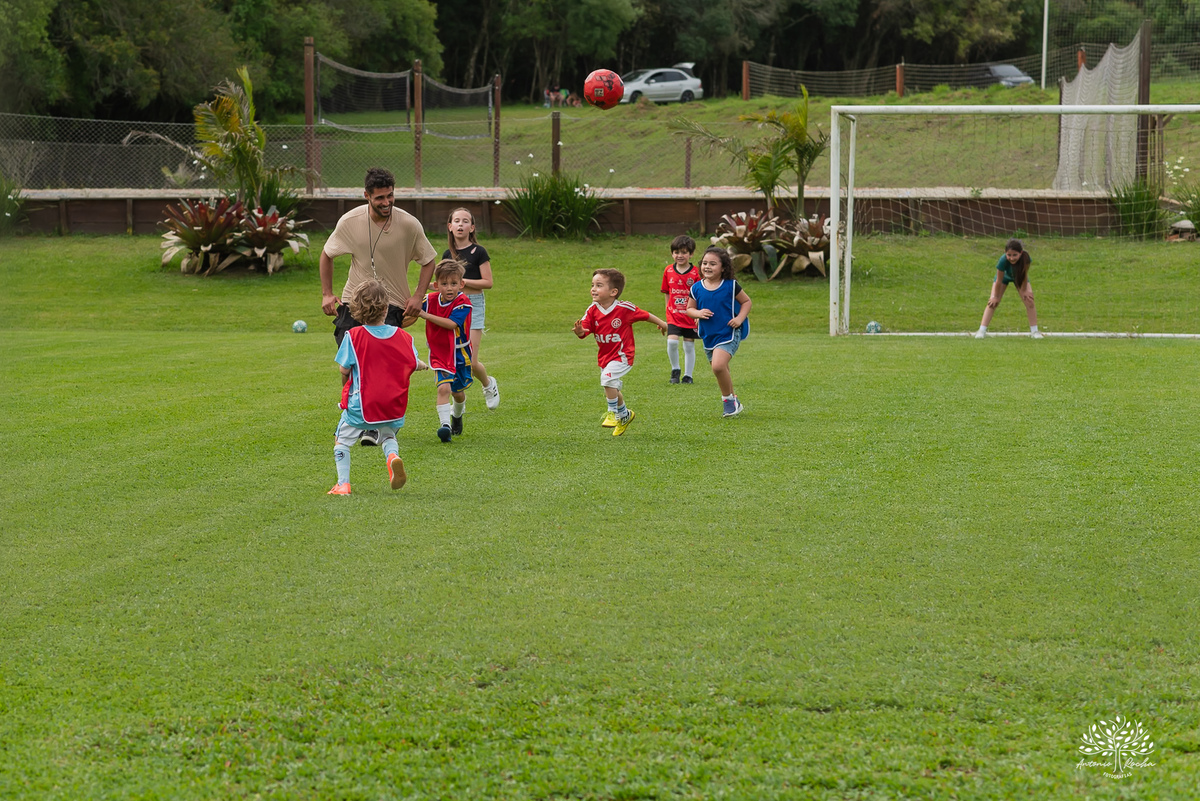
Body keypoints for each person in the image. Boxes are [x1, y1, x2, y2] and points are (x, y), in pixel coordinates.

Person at [319, 166, 438, 446]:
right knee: (351, 363)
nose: (386, 203)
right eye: (380, 198)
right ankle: (352, 414)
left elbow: (429, 260)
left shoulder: (409, 224)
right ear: (366, 196)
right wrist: (327, 293)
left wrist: (418, 296)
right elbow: (326, 254)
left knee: (381, 368)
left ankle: (375, 426)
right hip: (353, 303)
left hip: (392, 304)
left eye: (390, 196)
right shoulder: (350, 222)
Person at [328, 280, 429, 496]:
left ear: (356, 310)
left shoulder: (353, 337)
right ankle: (392, 457)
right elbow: (413, 362)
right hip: (393, 407)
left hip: (362, 405)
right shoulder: (404, 337)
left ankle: (343, 484)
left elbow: (344, 370)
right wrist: (423, 365)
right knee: (388, 436)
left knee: (342, 441)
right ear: (386, 308)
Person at [573, 268, 668, 436]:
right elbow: (585, 331)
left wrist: (663, 323)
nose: (593, 289)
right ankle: (625, 415)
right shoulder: (592, 310)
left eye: (599, 285)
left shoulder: (624, 308)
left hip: (623, 356)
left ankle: (612, 414)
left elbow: (645, 315)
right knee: (612, 387)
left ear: (613, 292)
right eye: (592, 285)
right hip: (605, 357)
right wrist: (579, 331)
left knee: (607, 380)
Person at [411, 259, 474, 443]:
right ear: (436, 285)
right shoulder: (429, 300)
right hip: (440, 353)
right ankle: (445, 426)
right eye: (444, 284)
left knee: (458, 392)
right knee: (443, 388)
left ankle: (457, 416)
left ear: (461, 284)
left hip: (460, 353)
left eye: (454, 284)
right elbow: (411, 309)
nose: (449, 288)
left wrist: (424, 315)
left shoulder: (464, 302)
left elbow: (451, 324)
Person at [444, 207, 500, 409]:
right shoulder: (447, 254)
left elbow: (488, 282)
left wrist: (462, 281)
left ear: (472, 227)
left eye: (465, 221)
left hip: (474, 306)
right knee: (452, 359)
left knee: (471, 361)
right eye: (456, 221)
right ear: (450, 227)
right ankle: (457, 398)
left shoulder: (479, 252)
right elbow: (443, 284)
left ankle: (488, 384)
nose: (460, 224)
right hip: (453, 306)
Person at [687, 247, 752, 418]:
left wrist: (739, 319)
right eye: (705, 263)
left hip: (729, 333)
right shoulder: (696, 288)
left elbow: (746, 302)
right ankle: (734, 400)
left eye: (713, 264)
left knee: (718, 366)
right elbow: (689, 309)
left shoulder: (731, 286)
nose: (707, 267)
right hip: (708, 335)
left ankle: (728, 401)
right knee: (721, 369)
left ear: (723, 268)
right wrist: (698, 314)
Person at [975, 238, 1042, 339]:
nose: (1012, 258)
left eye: (1015, 255)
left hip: (1019, 278)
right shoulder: (1002, 260)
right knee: (992, 302)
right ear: (1005, 253)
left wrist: (1024, 291)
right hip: (1003, 278)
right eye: (1009, 255)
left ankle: (1035, 331)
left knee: (1029, 301)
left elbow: (1024, 275)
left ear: (1021, 253)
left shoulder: (1026, 259)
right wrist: (995, 296)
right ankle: (981, 330)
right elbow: (998, 280)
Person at [660, 234, 700, 384]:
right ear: (672, 253)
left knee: (689, 345)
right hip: (673, 316)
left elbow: (699, 295)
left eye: (684, 252)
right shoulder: (668, 271)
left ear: (691, 254)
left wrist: (697, 314)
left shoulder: (696, 272)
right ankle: (675, 370)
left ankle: (688, 375)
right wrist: (667, 312)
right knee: (672, 342)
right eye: (676, 252)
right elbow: (666, 293)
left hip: (689, 315)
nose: (680, 255)